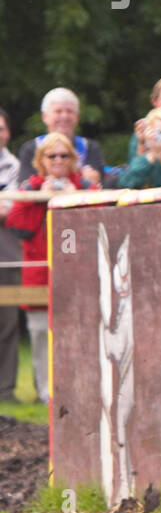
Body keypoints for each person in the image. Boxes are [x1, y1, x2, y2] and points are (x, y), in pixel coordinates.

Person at [5, 133, 98, 401]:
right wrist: (42, 198)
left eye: (63, 155)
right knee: (39, 337)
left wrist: (75, 199)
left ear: (73, 159)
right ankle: (46, 395)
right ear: (40, 160)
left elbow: (100, 222)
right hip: (39, 276)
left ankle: (81, 393)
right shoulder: (29, 189)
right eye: (51, 156)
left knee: (80, 335)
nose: (57, 161)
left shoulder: (87, 189)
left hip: (79, 276)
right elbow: (17, 224)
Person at [16, 87, 106, 186]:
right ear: (45, 117)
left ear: (77, 117)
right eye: (58, 111)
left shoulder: (90, 147)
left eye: (69, 111)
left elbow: (101, 184)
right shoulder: (31, 149)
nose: (64, 116)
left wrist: (94, 180)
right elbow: (24, 186)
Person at [0, 109, 21, 401]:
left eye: (1, 128)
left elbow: (11, 208)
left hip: (6, 245)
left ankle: (5, 389)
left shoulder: (14, 165)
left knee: (8, 318)